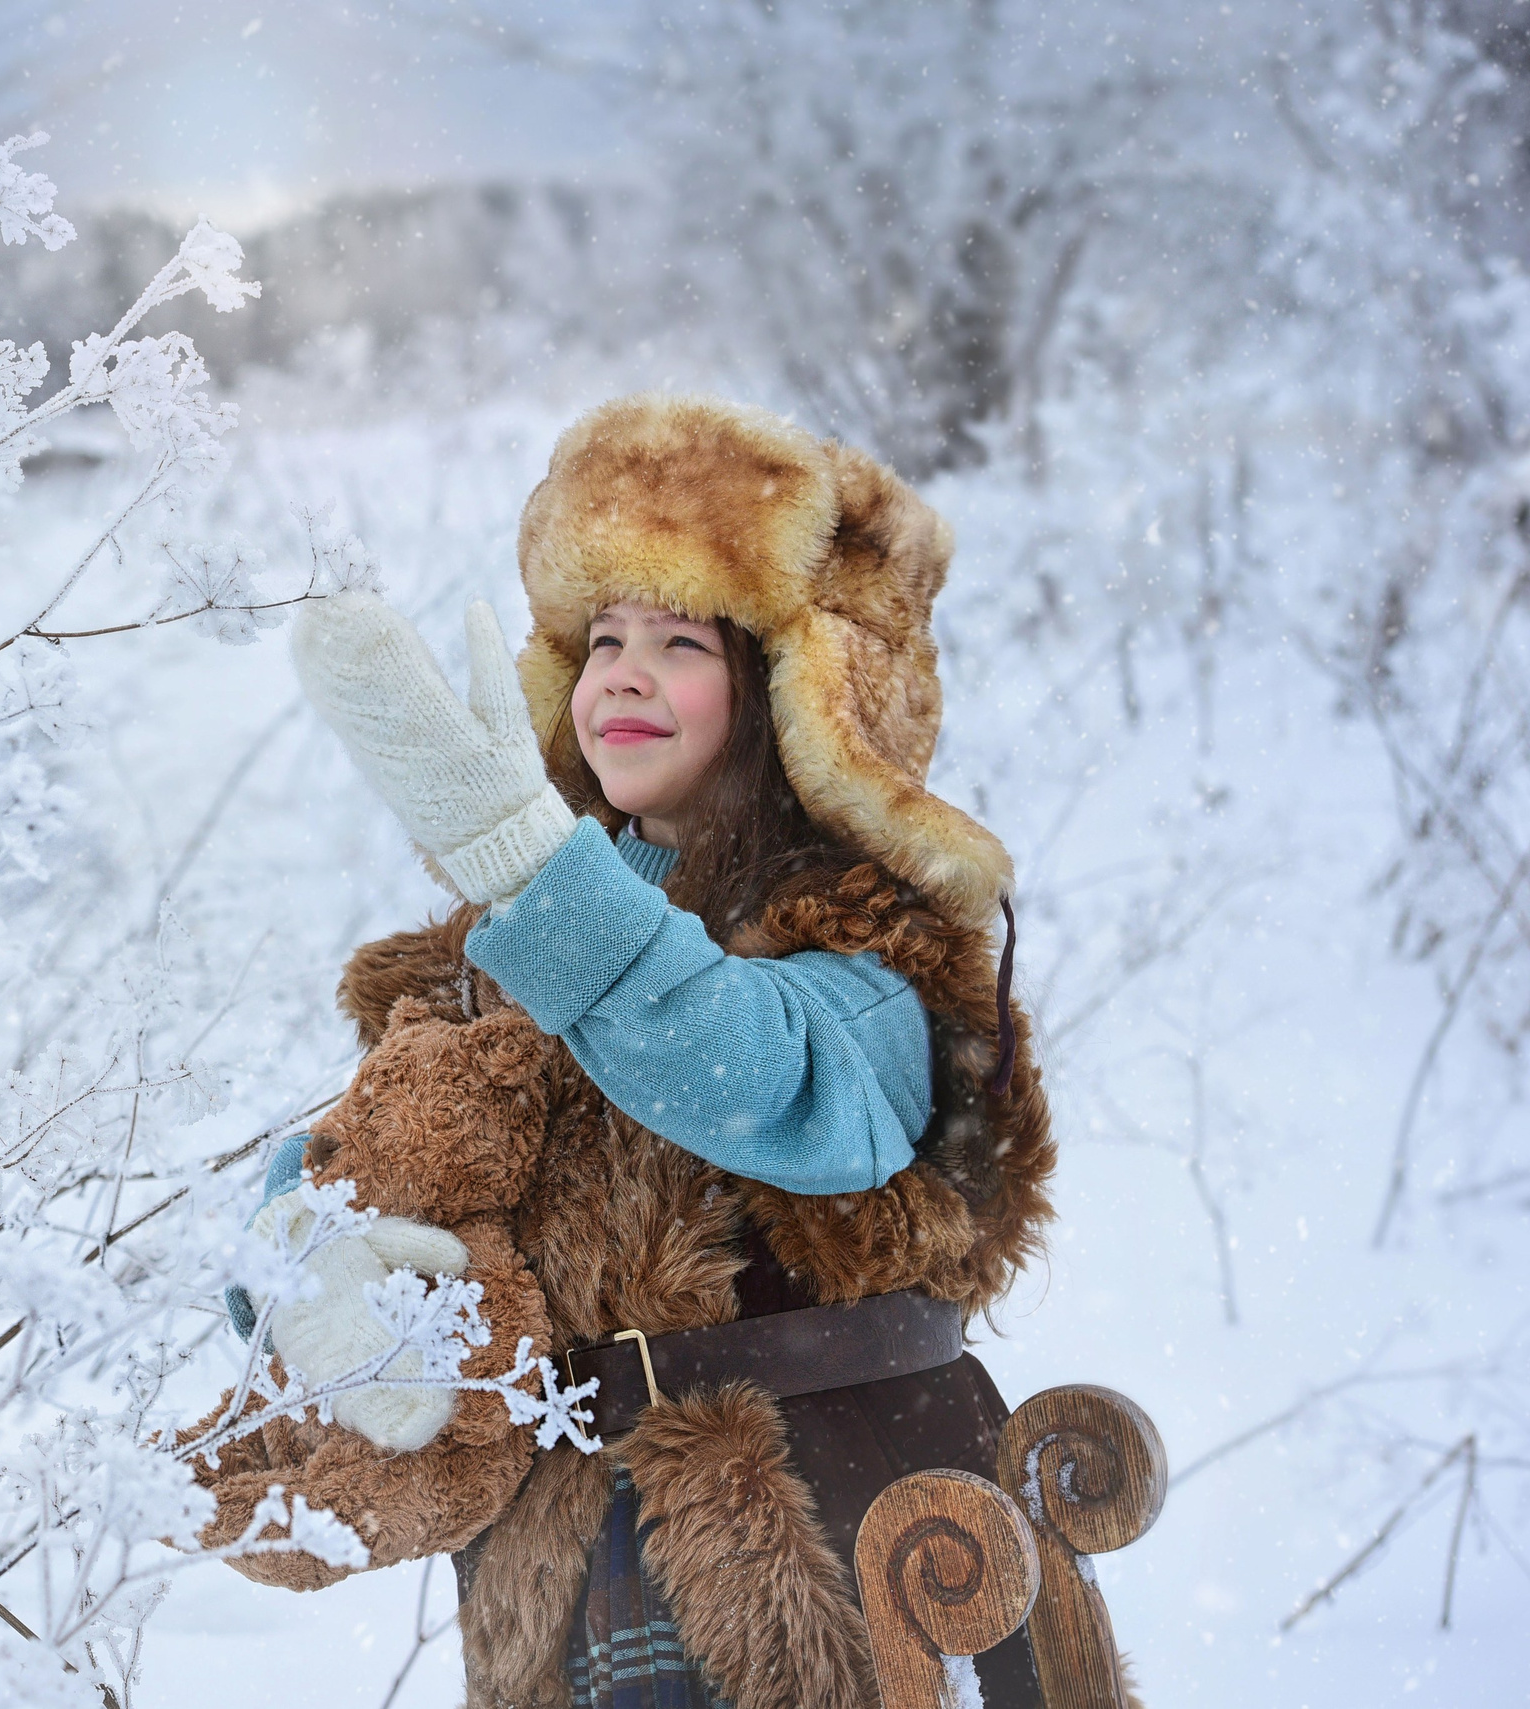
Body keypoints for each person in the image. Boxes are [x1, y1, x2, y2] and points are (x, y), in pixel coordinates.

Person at [238, 394, 1057, 1709]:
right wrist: (303, 1247)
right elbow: (372, 1146)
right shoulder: (506, 943)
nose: (620, 672)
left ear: (795, 691)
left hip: (824, 1531)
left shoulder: (874, 949)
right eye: (602, 636)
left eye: (679, 642)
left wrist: (528, 862)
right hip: (564, 1568)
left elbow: (754, 1076)